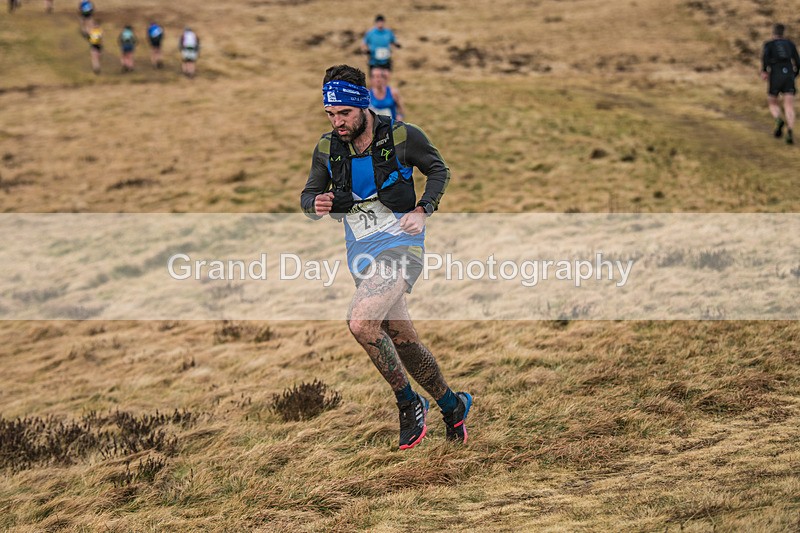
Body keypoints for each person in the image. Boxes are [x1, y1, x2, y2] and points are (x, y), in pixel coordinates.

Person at [300, 64, 472, 450]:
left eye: (344, 113)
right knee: (404, 342)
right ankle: (452, 405)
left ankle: (408, 403)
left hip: (400, 247)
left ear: (362, 106)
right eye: (330, 114)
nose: (337, 122)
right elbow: (307, 197)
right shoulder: (328, 148)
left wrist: (423, 209)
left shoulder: (402, 136)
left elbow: (438, 170)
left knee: (361, 322)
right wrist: (317, 203)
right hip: (360, 255)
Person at [761, 23, 800, 144]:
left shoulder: (769, 44)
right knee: (789, 105)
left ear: (773, 33)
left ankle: (778, 119)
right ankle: (789, 132)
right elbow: (798, 62)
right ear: (783, 33)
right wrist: (795, 74)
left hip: (775, 73)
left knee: (772, 101)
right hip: (789, 73)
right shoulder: (791, 44)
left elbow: (765, 58)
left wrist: (764, 71)